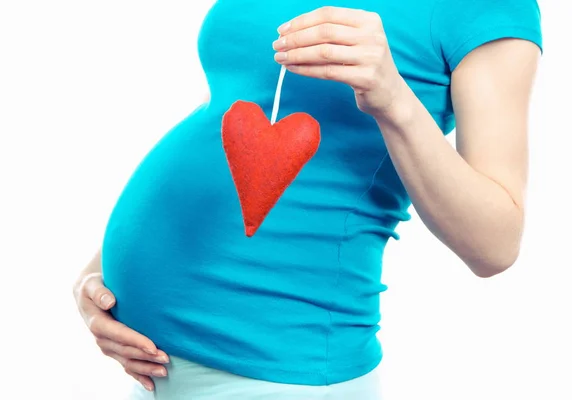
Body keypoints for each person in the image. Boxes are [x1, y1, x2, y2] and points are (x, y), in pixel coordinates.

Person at [73, 0, 543, 398]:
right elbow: (230, 109)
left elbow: (495, 245)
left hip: (276, 370)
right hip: (151, 363)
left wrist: (392, 96)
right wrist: (102, 273)